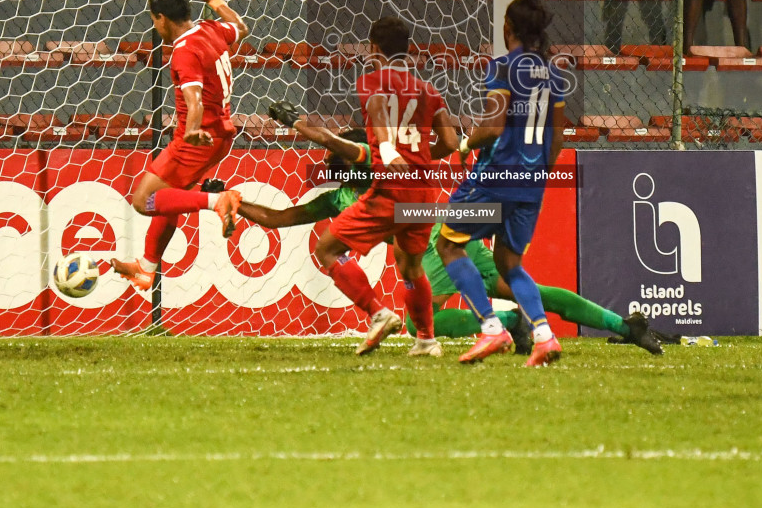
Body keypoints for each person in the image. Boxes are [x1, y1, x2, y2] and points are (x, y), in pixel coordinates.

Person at [240, 104, 668, 355]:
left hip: (436, 241)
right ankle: (624, 325)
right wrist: (235, 202)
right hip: (458, 227)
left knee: (423, 325)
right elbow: (279, 218)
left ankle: (507, 322)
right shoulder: (348, 189)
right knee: (520, 286)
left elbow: (350, 157)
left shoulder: (371, 173)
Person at [296, 17, 457, 355]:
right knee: (411, 267)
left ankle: (378, 313)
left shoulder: (372, 81)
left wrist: (385, 149)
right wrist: (422, 160)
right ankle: (426, 340)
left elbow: (379, 111)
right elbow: (451, 140)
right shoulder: (430, 91)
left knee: (327, 249)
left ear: (373, 49)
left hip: (390, 188)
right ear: (408, 49)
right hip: (424, 192)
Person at [437, 0, 574, 367]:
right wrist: (536, 176)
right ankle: (544, 337)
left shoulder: (501, 68)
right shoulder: (555, 75)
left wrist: (465, 142)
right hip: (531, 183)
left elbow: (493, 127)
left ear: (507, 28)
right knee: (509, 261)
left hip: (495, 179)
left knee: (448, 245)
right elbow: (557, 137)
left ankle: (491, 329)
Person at [103, 0, 245, 293]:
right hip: (220, 134)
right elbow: (241, 28)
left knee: (144, 200)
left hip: (197, 138)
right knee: (170, 199)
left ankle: (218, 202)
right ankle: (146, 269)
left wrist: (193, 132)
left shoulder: (183, 52)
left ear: (161, 19)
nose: (155, 26)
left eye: (153, 20)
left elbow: (193, 102)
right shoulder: (211, 29)